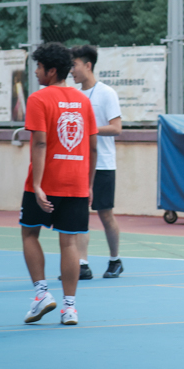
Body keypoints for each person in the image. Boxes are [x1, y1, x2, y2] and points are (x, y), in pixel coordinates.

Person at [19, 42, 97, 326]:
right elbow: (93, 147)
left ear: (51, 71)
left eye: (39, 67)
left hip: (46, 181)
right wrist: (89, 185)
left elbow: (40, 143)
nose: (36, 72)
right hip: (76, 183)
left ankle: (42, 294)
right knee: (70, 242)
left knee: (29, 234)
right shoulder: (83, 100)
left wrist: (38, 185)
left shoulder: (38, 99)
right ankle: (70, 308)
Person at [71, 45, 124, 279]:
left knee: (105, 214)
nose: (71, 70)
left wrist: (89, 129)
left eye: (74, 65)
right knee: (80, 214)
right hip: (79, 164)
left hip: (102, 164)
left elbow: (116, 128)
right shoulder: (73, 95)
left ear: (88, 65)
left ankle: (115, 260)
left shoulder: (106, 93)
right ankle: (82, 264)